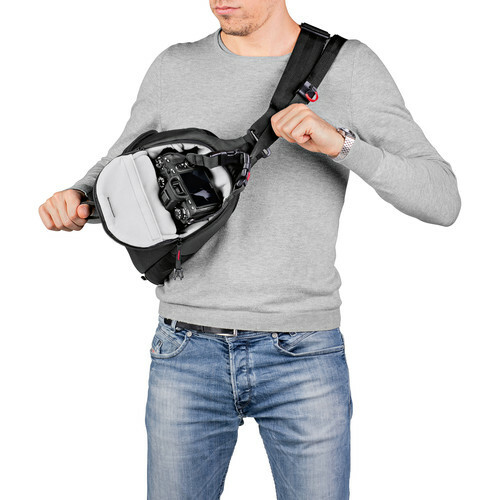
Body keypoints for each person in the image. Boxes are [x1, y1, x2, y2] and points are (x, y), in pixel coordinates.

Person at [38, 1, 462, 499]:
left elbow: (443, 200)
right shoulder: (174, 66)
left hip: (303, 352)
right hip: (184, 349)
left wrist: (340, 144)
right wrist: (77, 198)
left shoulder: (347, 65)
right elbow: (122, 168)